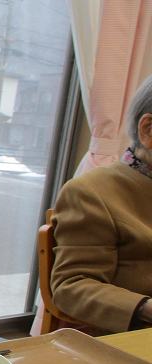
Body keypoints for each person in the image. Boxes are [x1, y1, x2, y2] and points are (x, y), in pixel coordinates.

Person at [50, 74, 152, 334]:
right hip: (127, 340)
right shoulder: (93, 193)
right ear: (148, 130)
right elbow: (72, 287)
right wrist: (144, 307)